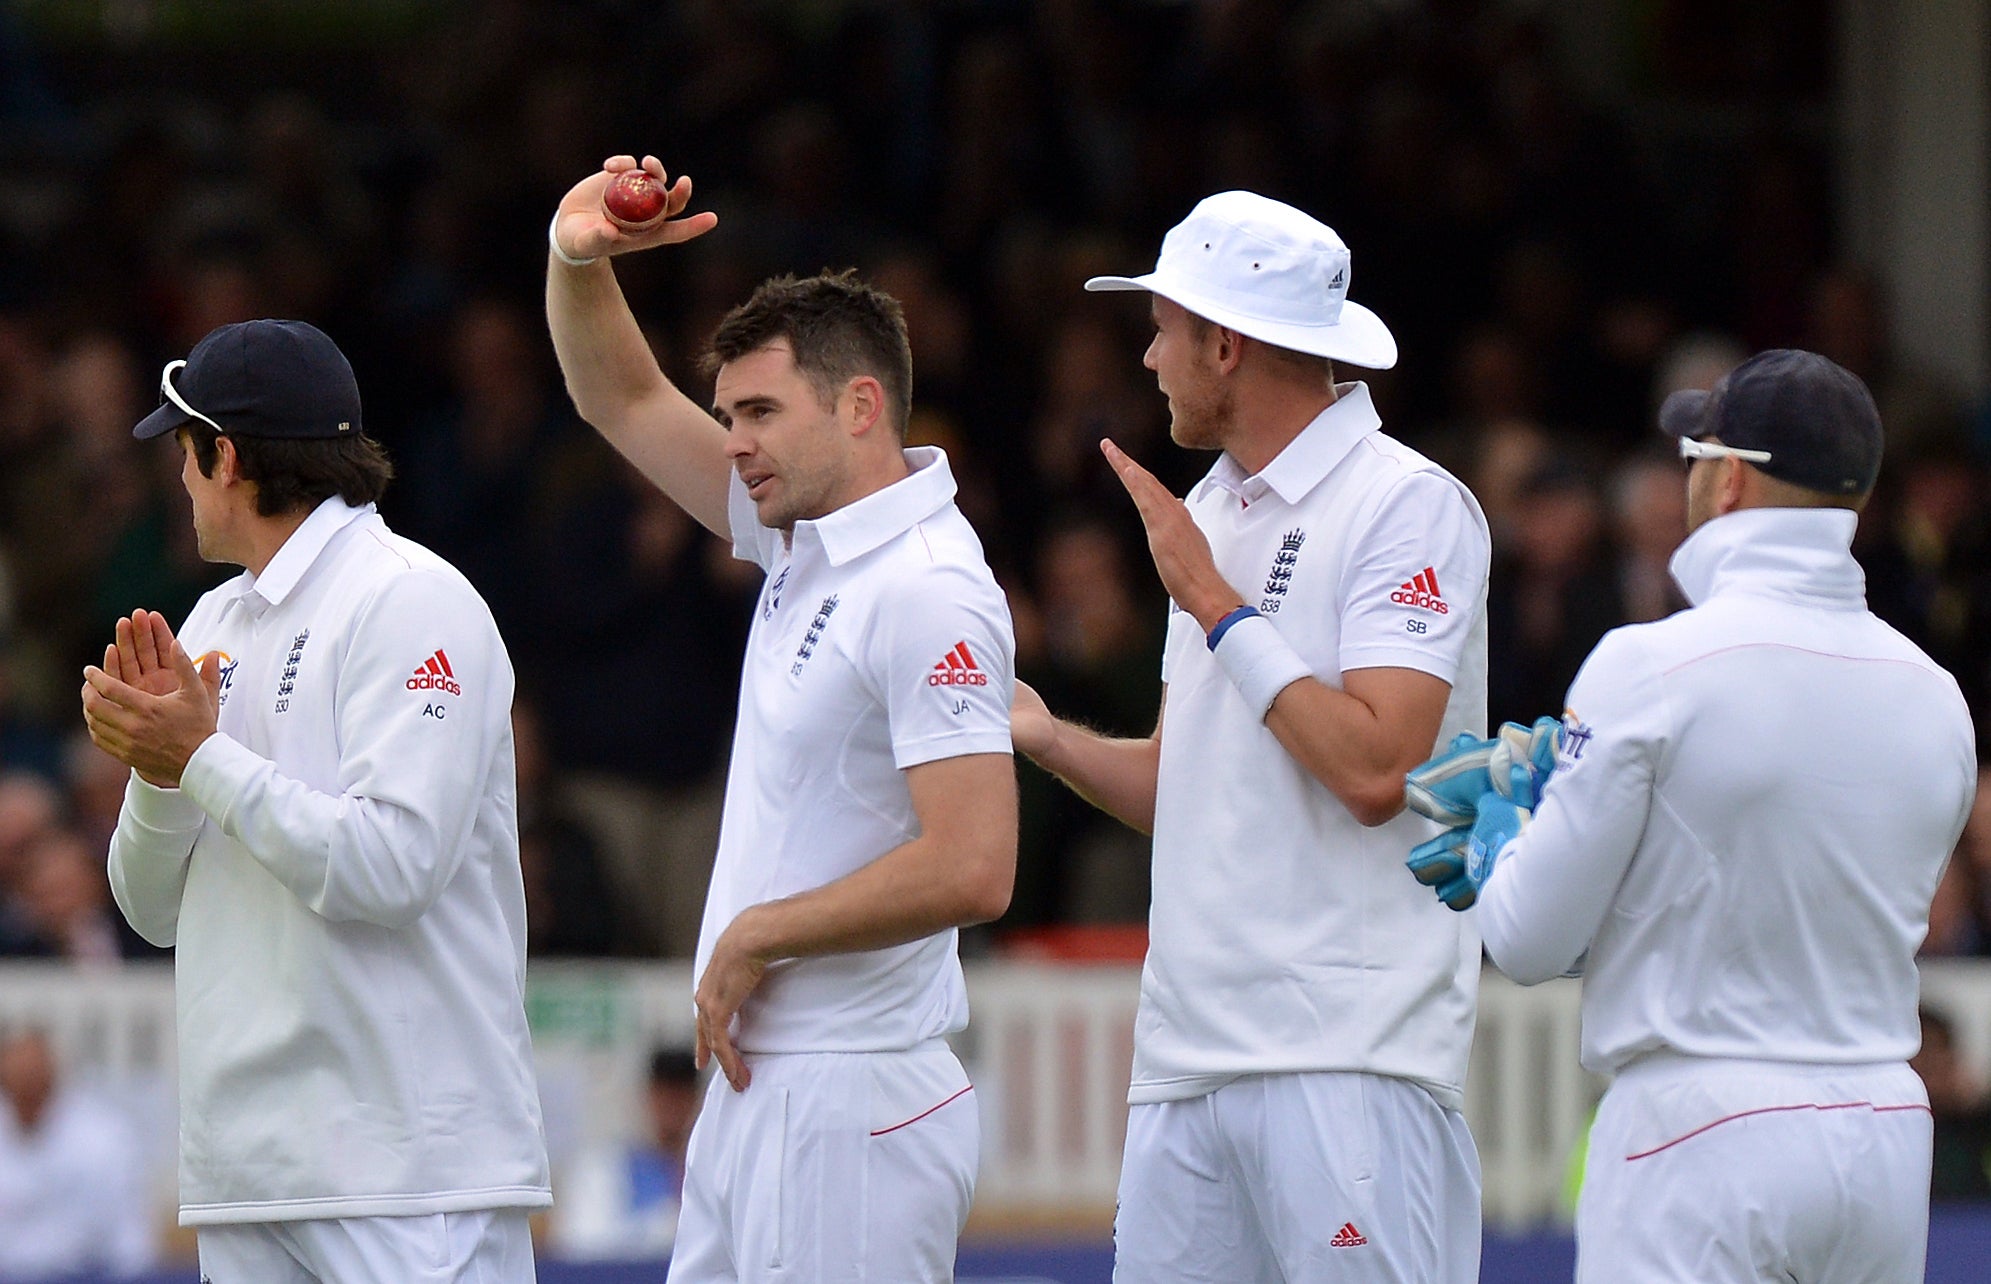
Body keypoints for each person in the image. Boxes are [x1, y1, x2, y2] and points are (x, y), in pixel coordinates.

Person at [546, 157, 1017, 1282]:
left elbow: (975, 867)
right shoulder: (798, 536)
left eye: (758, 412)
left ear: (861, 408)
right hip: (765, 1089)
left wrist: (759, 930)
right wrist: (575, 256)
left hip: (855, 1097)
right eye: (727, 415)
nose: (733, 442)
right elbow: (616, 396)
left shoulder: (925, 585)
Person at [1409, 349, 1976, 1281]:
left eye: (1694, 454)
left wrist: (1501, 839)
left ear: (1729, 482)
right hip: (1882, 1130)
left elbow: (1527, 940)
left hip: (1699, 1133)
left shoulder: (1648, 666)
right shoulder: (1936, 696)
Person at [1012, 190, 1490, 1282]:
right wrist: (1044, 736)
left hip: (1348, 1061)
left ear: (1222, 346)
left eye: (1163, 328)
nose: (1147, 357)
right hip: (1185, 1068)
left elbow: (1376, 768)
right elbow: (1187, 787)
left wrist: (1218, 606)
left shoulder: (1405, 504)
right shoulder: (1213, 511)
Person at [79, 319, 549, 1282]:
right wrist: (161, 772)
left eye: (183, 452)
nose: (179, 478)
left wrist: (199, 756)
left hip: (413, 1174)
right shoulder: (214, 616)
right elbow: (148, 909)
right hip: (250, 1175)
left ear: (228, 456)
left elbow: (390, 868)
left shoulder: (414, 599)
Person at [0, 1027, 156, 1280]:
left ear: (53, 1076)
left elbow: (130, 1243)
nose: (26, 1087)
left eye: (34, 1078)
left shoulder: (103, 1139)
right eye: (17, 1080)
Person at [554, 1047, 702, 1261]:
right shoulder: (609, 1167)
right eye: (665, 1093)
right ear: (649, 1095)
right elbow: (583, 1243)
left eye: (682, 1094)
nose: (673, 1105)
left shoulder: (708, 1169)